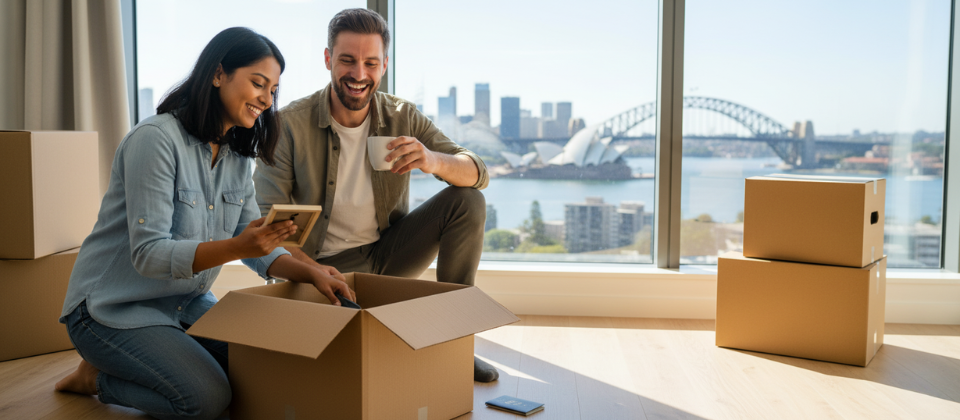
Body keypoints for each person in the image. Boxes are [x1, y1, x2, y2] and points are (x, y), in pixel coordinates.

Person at [54, 27, 355, 420]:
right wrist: (242, 246)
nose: (267, 99)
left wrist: (311, 272)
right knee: (205, 399)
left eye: (274, 89)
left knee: (266, 370)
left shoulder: (236, 157)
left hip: (185, 303)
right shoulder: (156, 140)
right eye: (258, 83)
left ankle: (148, 358)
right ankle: (95, 379)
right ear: (218, 74)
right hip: (113, 308)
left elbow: (257, 247)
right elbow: (149, 255)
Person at [253, 8, 497, 382]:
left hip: (387, 255)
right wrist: (314, 272)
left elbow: (477, 172)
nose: (359, 75)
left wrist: (432, 160)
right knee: (342, 367)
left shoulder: (402, 116)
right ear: (328, 59)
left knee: (467, 201)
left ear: (384, 64)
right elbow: (267, 222)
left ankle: (455, 342)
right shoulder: (287, 126)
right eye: (347, 60)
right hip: (316, 267)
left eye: (370, 63)